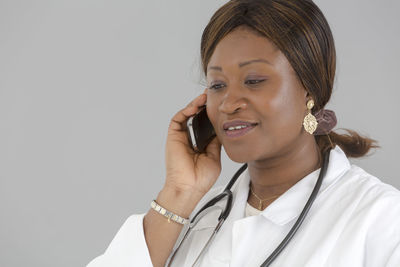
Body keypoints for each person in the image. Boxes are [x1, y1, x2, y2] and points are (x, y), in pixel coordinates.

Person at [87, 0, 400, 266]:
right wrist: (179, 192)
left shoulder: (382, 220)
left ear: (310, 88)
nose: (228, 103)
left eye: (253, 80)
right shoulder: (192, 215)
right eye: (217, 85)